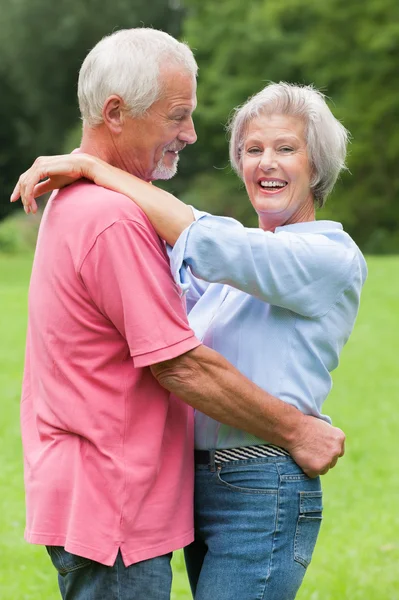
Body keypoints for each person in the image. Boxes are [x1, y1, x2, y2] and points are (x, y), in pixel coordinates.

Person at [12, 30, 347, 600]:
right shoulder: (116, 220)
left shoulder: (322, 255)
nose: (190, 134)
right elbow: (180, 363)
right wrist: (298, 429)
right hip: (127, 493)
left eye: (287, 148)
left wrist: (95, 167)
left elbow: (211, 241)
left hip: (243, 483)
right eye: (178, 115)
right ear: (117, 112)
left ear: (321, 163)